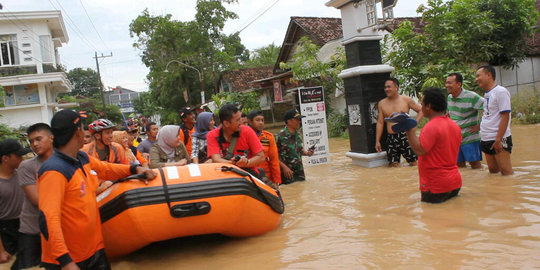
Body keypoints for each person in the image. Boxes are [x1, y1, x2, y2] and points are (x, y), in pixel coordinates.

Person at [38, 109, 156, 270]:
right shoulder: (53, 170)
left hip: (94, 250)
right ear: (77, 133)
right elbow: (48, 219)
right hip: (70, 259)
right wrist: (64, 261)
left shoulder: (81, 157)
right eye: (82, 128)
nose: (85, 132)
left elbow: (106, 169)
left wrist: (134, 170)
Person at [404, 87, 462, 203]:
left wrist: (409, 131)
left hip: (435, 185)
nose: (421, 107)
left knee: (431, 219)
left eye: (422, 104)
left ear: (428, 106)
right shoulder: (454, 125)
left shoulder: (431, 126)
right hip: (455, 182)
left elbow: (420, 150)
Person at [15, 123, 54, 269]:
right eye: (31, 141)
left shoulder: (65, 161)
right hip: (32, 231)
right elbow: (37, 199)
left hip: (57, 231)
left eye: (38, 139)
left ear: (51, 138)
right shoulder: (27, 166)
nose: (34, 144)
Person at [375, 77, 423, 167]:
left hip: (406, 136)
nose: (386, 89)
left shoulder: (406, 100)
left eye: (389, 87)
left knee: (414, 163)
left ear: (396, 87)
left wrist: (415, 125)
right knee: (393, 165)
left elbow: (421, 110)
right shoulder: (382, 103)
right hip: (391, 138)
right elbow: (380, 122)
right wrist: (377, 141)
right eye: (385, 87)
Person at [476, 65, 513, 175]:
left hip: (498, 138)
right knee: (493, 171)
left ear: (489, 75)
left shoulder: (500, 92)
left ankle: (508, 191)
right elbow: (490, 115)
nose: (476, 79)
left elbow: (505, 116)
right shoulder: (487, 93)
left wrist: (498, 139)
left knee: (506, 172)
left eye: (479, 76)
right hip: (486, 137)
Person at [0, 139, 31, 269]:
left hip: (24, 225)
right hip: (6, 230)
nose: (22, 159)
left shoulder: (21, 174)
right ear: (5, 158)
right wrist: (1, 250)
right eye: (18, 156)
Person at [206, 104, 265, 172]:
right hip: (224, 175)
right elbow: (216, 159)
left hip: (247, 175)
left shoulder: (248, 131)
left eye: (240, 118)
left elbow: (261, 157)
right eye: (237, 120)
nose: (241, 122)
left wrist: (246, 162)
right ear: (226, 123)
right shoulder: (212, 135)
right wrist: (235, 163)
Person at [446, 72, 485, 169]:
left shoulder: (472, 96)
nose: (447, 85)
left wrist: (480, 126)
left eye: (450, 83)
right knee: (459, 167)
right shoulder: (449, 98)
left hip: (470, 138)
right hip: (455, 139)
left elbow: (490, 108)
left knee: (475, 166)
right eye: (446, 83)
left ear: (459, 84)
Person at [275, 109, 314, 184]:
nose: (299, 122)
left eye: (299, 119)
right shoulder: (279, 136)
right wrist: (284, 167)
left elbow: (298, 150)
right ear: (289, 121)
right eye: (297, 119)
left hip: (299, 173)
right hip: (287, 174)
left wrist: (307, 153)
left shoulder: (298, 135)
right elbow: (272, 156)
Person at [247, 110, 282, 185]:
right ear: (250, 122)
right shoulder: (244, 136)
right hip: (250, 176)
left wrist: (276, 181)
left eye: (262, 120)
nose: (260, 123)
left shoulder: (268, 137)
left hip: (266, 177)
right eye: (257, 120)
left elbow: (274, 160)